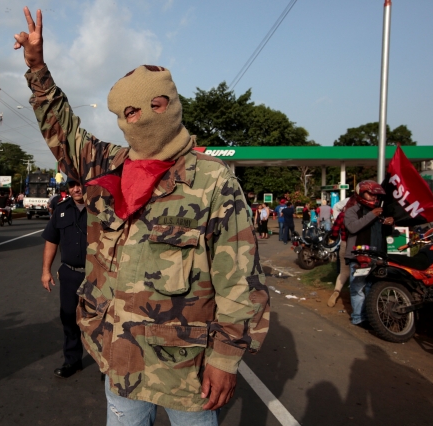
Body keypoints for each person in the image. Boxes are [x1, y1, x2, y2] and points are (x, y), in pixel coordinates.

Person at [16, 8, 269, 422]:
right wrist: (37, 67)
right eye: (126, 113)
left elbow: (240, 282)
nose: (135, 119)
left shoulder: (212, 183)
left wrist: (225, 359)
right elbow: (64, 130)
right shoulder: (108, 167)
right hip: (120, 358)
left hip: (185, 371)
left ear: (167, 104)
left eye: (147, 107)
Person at [41, 179, 88, 378]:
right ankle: (72, 360)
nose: (76, 189)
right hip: (69, 273)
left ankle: (106, 366)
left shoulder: (102, 209)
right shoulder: (61, 210)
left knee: (101, 320)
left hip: (97, 275)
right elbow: (52, 240)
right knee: (68, 317)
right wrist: (46, 270)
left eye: (80, 184)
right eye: (72, 186)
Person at [344, 180, 394, 327]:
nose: (373, 197)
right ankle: (358, 317)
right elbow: (352, 228)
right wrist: (372, 215)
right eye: (370, 194)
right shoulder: (352, 211)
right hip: (359, 256)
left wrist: (390, 224)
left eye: (375, 195)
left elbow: (385, 234)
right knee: (358, 288)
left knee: (373, 288)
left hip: (377, 256)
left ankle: (372, 318)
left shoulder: (379, 211)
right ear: (361, 193)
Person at [327, 209, 348, 307]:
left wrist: (334, 237)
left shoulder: (342, 215)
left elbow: (335, 231)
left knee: (343, 271)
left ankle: (336, 291)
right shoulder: (364, 214)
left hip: (344, 243)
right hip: (360, 245)